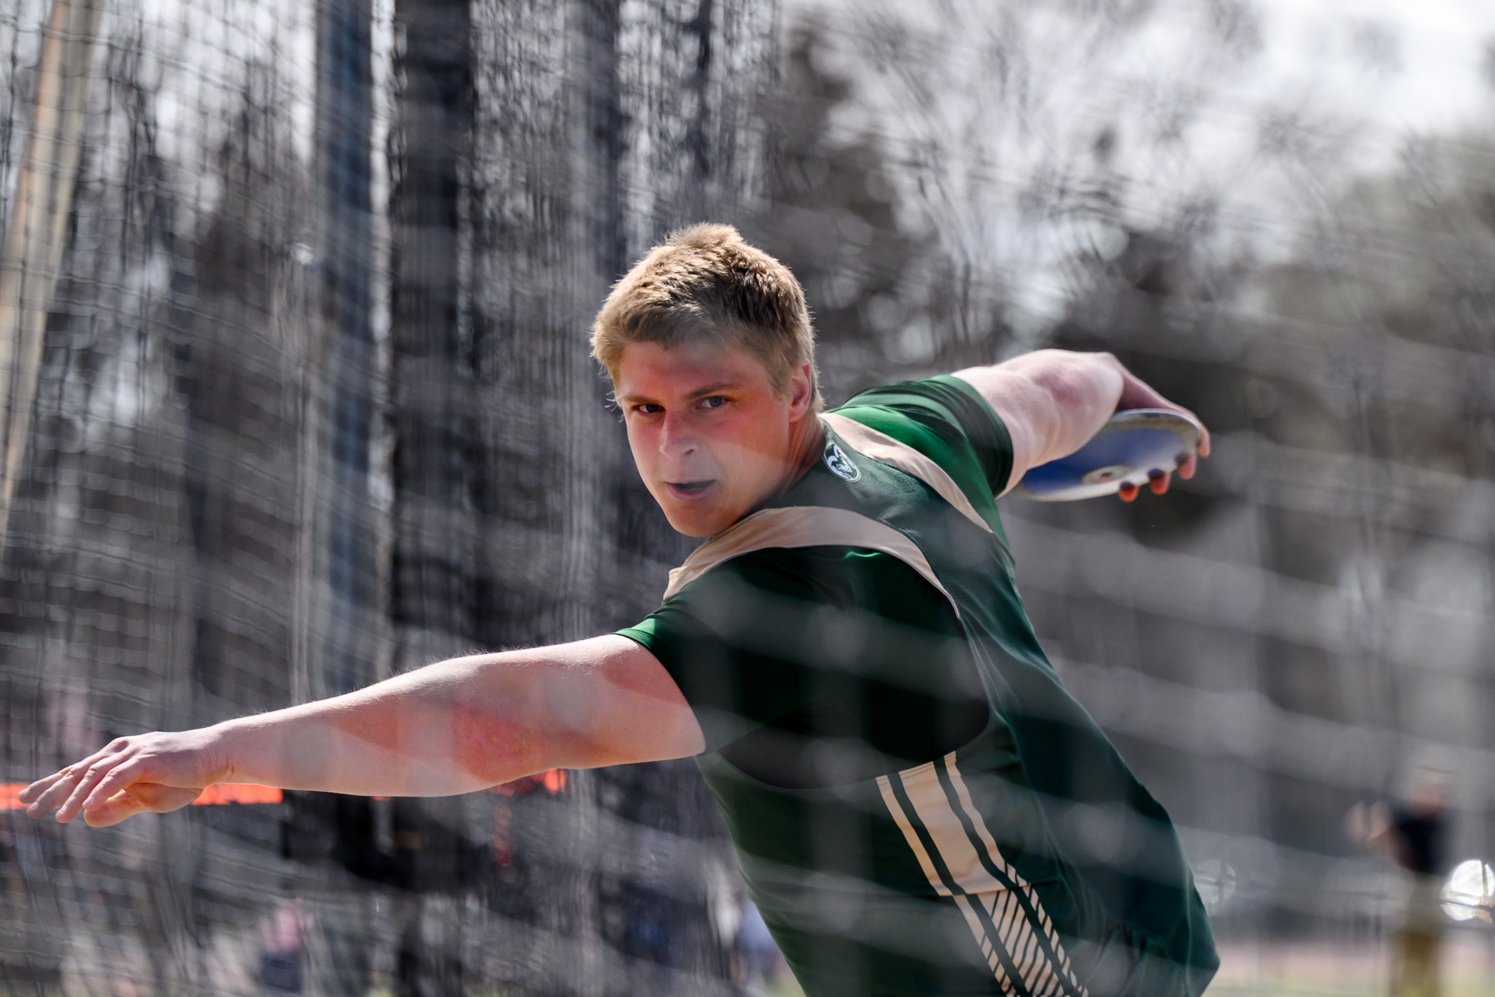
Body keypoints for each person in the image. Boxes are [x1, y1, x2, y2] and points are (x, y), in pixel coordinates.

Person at [22, 225, 1218, 996]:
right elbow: (1063, 382)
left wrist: (214, 750)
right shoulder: (905, 431)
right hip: (1127, 908)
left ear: (797, 388)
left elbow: (512, 721)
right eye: (644, 411)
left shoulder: (794, 590)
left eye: (713, 401)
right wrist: (1134, 406)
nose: (678, 448)